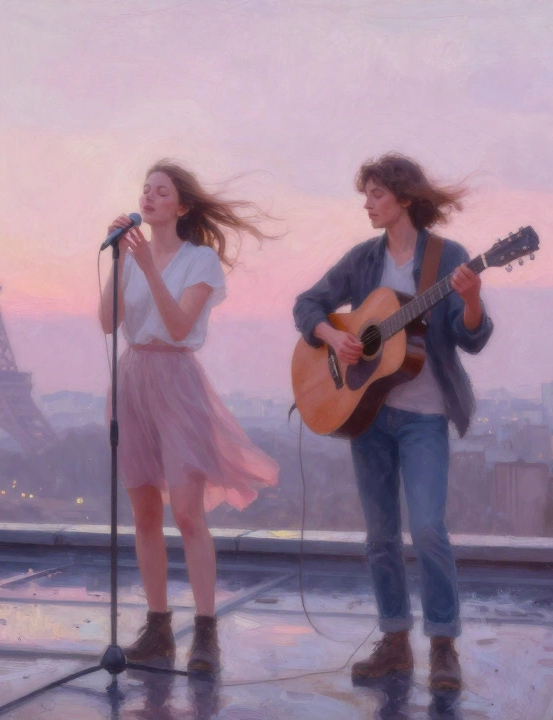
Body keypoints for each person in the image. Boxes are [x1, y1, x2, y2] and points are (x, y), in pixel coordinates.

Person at [291, 153, 493, 691]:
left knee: (427, 528)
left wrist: (471, 301)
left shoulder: (447, 259)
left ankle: (444, 644)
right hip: (369, 415)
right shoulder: (363, 259)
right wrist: (333, 337)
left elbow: (471, 338)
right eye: (367, 195)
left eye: (377, 195)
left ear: (405, 199)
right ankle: (396, 643)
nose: (367, 204)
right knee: (380, 537)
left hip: (424, 417)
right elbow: (308, 304)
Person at [98, 159, 279, 676]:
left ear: (182, 206)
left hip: (177, 381)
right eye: (145, 189)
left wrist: (149, 269)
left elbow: (178, 326)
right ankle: (157, 629)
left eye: (162, 191)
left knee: (186, 511)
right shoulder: (128, 257)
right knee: (144, 512)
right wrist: (119, 263)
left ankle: (205, 631)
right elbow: (106, 322)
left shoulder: (200, 260)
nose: (150, 197)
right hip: (132, 380)